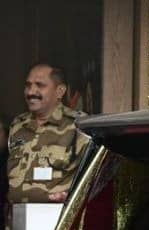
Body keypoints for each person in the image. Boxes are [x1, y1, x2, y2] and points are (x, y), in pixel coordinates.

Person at [5, 63, 89, 205]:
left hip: (55, 221)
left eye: (40, 85)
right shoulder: (17, 125)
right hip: (17, 220)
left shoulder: (79, 126)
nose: (31, 91)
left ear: (60, 91)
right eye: (28, 85)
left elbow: (92, 176)